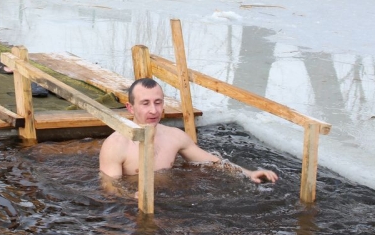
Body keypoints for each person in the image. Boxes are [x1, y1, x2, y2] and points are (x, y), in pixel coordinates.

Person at [99, 78, 280, 185]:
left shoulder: (175, 136)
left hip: (169, 201)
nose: (154, 111)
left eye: (158, 102)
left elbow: (212, 161)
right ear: (130, 108)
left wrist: (248, 173)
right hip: (134, 209)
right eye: (145, 104)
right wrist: (132, 199)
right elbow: (111, 190)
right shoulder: (115, 145)